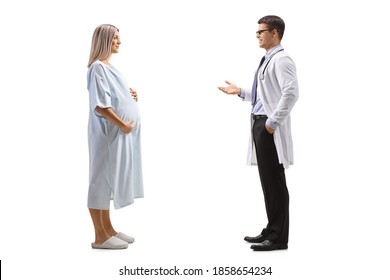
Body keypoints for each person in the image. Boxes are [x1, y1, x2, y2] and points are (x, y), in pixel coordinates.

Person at [218, 15, 298, 251]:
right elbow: (267, 95)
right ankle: (271, 229)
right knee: (268, 182)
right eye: (257, 32)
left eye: (261, 31)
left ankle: (278, 237)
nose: (258, 36)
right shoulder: (267, 59)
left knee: (275, 183)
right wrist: (241, 91)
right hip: (259, 124)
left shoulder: (282, 60)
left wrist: (272, 123)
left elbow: (291, 93)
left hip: (268, 127)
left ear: (275, 33)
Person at [86, 24, 144, 249]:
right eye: (115, 38)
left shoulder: (108, 68)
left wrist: (128, 93)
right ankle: (100, 236)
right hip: (106, 134)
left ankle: (109, 229)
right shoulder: (98, 67)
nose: (119, 42)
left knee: (108, 180)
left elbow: (113, 95)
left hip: (115, 133)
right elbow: (100, 105)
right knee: (99, 180)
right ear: (104, 41)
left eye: (119, 38)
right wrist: (122, 124)